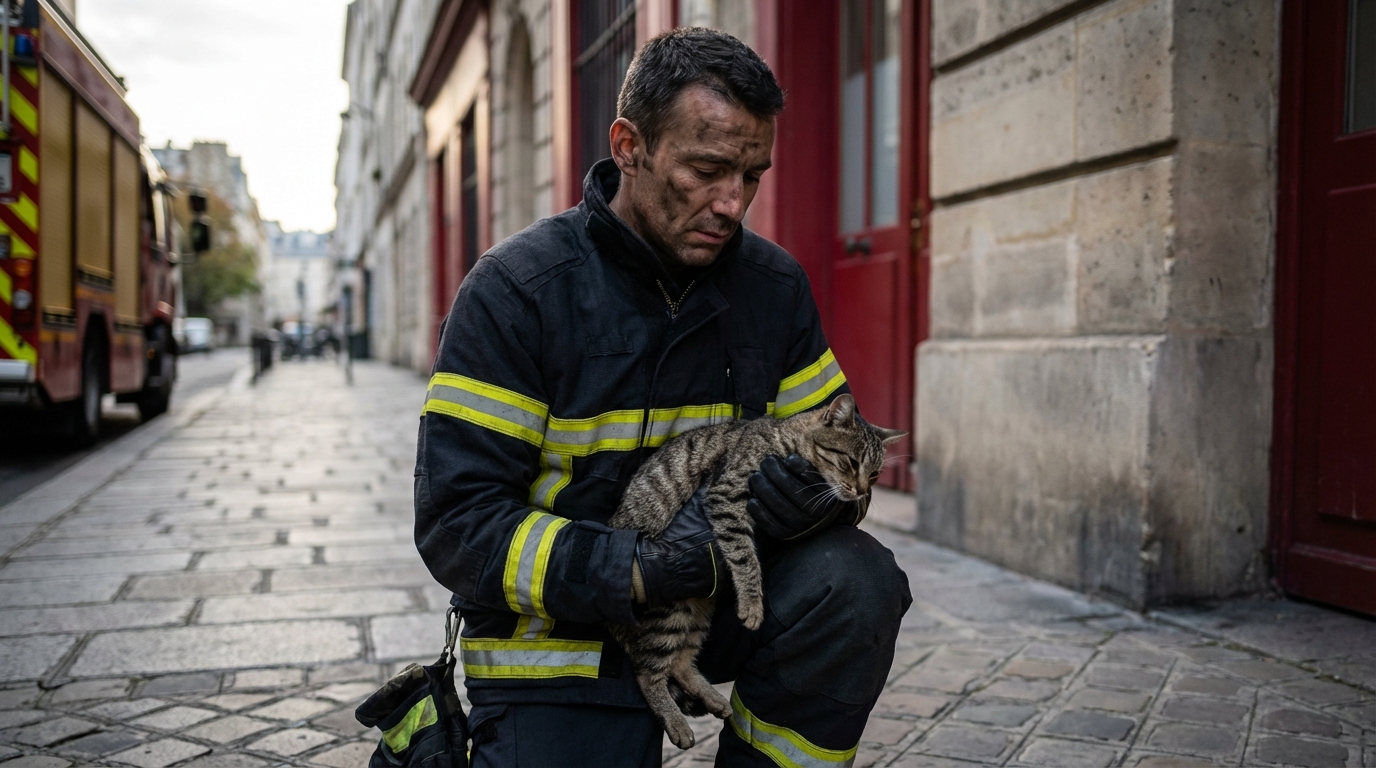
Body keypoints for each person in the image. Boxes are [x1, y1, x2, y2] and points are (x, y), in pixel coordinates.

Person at [414, 27, 912, 767]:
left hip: (715, 602)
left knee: (855, 582)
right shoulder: (516, 292)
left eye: (752, 175)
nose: (732, 203)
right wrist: (637, 567)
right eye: (706, 171)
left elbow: (844, 459)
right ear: (629, 146)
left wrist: (809, 503)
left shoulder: (774, 289)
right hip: (558, 640)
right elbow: (458, 524)